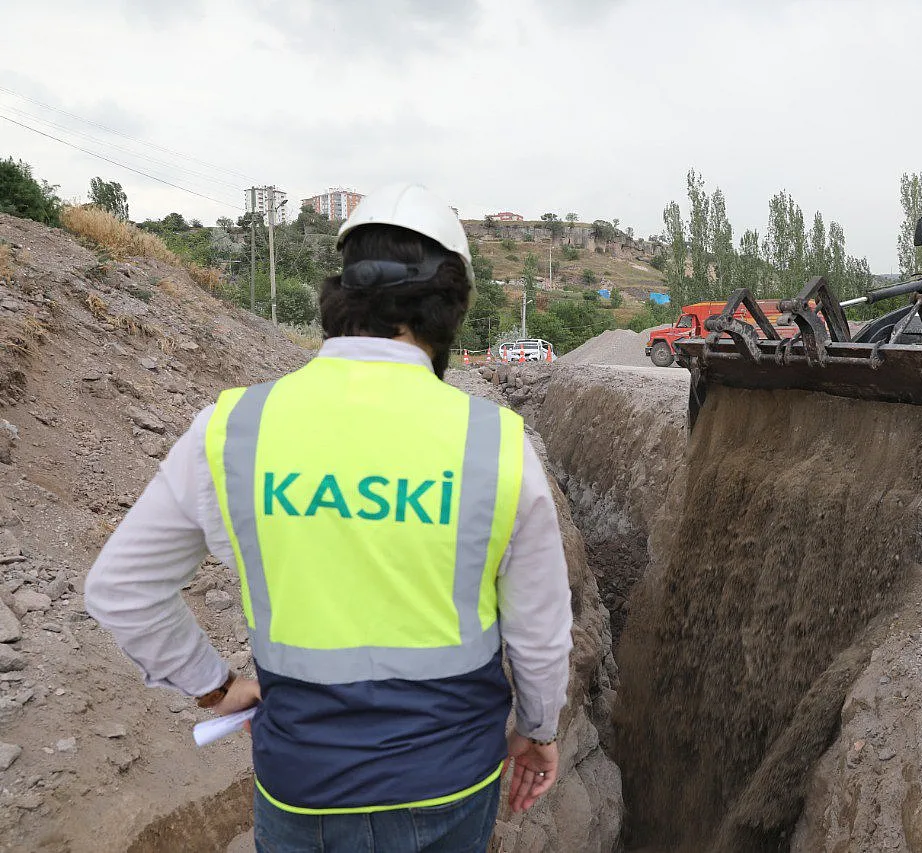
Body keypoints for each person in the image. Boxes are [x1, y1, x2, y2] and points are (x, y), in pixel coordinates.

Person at [85, 183, 573, 852]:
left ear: (341, 295)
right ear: (452, 308)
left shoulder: (233, 430)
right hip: (447, 785)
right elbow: (540, 632)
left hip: (301, 788)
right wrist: (538, 729)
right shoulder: (495, 443)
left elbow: (121, 587)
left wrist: (213, 687)